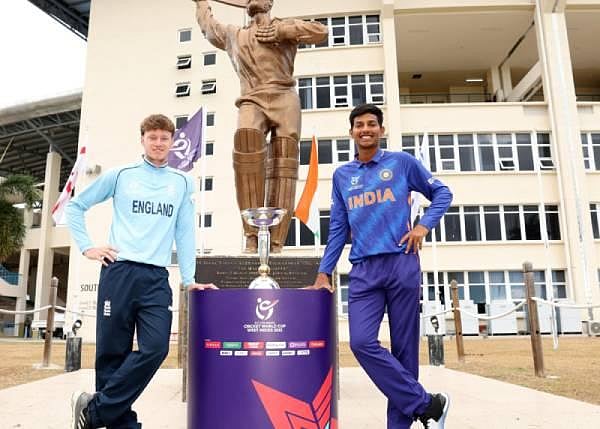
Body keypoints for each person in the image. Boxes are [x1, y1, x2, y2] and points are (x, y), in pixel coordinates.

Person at [66, 114, 216, 429]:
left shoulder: (181, 182)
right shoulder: (121, 175)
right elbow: (76, 206)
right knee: (113, 353)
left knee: (156, 347)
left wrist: (189, 279)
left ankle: (93, 412)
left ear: (172, 141)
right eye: (153, 137)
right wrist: (87, 247)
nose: (158, 143)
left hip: (156, 278)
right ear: (143, 140)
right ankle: (122, 424)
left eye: (164, 138)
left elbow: (184, 232)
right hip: (119, 272)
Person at [311, 104, 453, 429]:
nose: (366, 129)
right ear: (351, 132)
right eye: (359, 125)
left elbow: (442, 193)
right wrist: (323, 271)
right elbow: (338, 227)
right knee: (361, 342)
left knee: (404, 351)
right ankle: (427, 405)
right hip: (363, 271)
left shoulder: (401, 163)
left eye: (372, 124)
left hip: (401, 263)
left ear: (381, 130)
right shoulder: (342, 176)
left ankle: (401, 425)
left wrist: (423, 226)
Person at [192, 0, 327, 253]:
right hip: (252, 97)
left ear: (270, 2)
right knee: (246, 139)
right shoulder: (234, 34)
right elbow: (209, 28)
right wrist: (201, 4)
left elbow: (321, 31)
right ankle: (251, 235)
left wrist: (284, 31)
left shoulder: (285, 26)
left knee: (285, 163)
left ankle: (276, 242)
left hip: (284, 97)